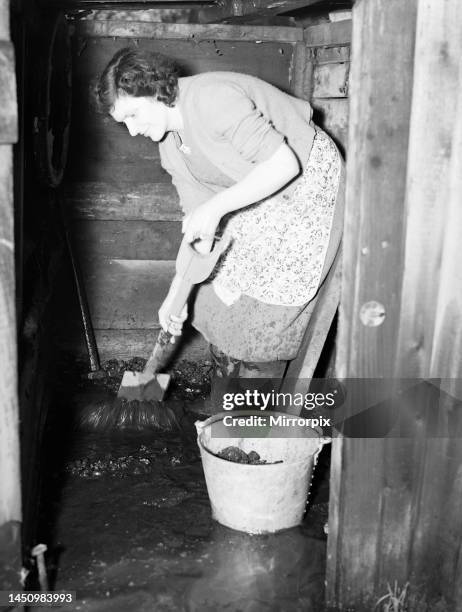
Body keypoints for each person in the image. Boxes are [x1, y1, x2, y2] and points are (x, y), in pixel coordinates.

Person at [94, 47, 344, 410]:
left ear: (155, 90)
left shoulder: (211, 99)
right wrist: (175, 294)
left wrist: (216, 208)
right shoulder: (170, 147)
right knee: (212, 294)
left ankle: (251, 415)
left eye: (133, 114)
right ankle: (224, 401)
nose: (132, 130)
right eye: (123, 123)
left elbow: (284, 165)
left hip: (307, 183)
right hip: (259, 192)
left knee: (263, 309)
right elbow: (198, 227)